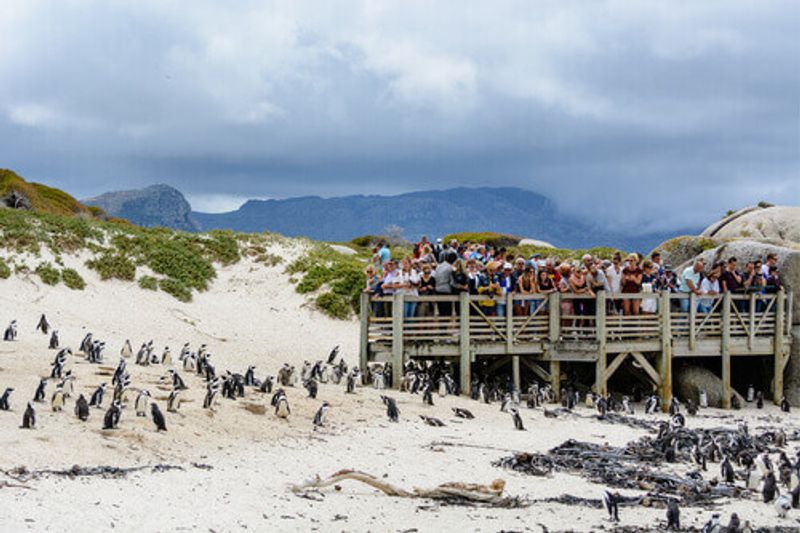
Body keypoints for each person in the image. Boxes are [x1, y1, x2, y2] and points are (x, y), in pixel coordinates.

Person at [433, 250, 457, 316]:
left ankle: (441, 325)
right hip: (446, 290)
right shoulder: (450, 268)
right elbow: (452, 282)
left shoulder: (439, 266)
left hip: (437, 289)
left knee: (440, 310)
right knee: (447, 312)